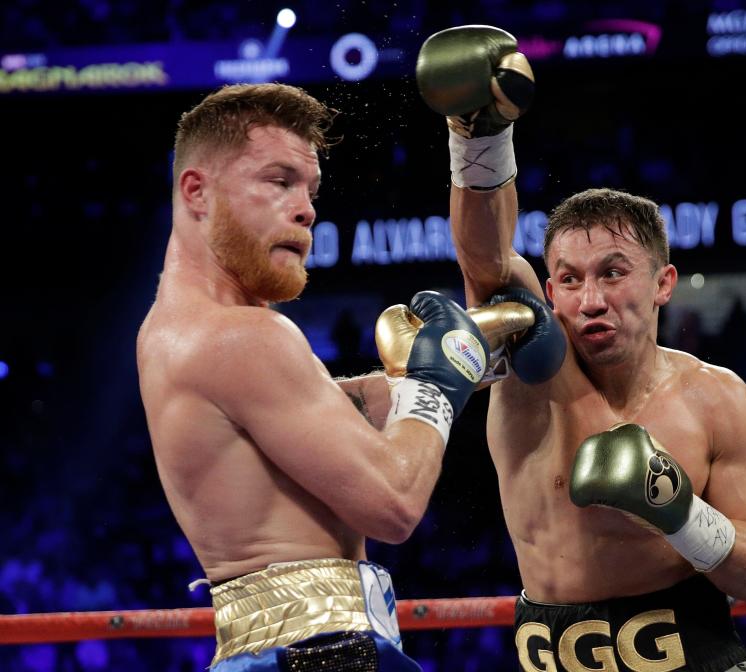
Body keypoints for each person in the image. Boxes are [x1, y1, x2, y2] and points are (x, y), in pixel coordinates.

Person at [416, 27, 746, 671]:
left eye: (613, 273)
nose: (590, 299)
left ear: (662, 284)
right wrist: (479, 136)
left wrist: (681, 515)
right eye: (568, 279)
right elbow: (484, 258)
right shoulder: (533, 368)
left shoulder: (717, 397)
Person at [136, 82, 496, 671]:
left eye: (311, 189)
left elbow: (327, 411)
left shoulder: (175, 330)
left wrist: (475, 364)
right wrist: (434, 385)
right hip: (316, 654)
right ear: (196, 192)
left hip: (282, 651)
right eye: (279, 181)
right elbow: (394, 503)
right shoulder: (243, 336)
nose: (306, 208)